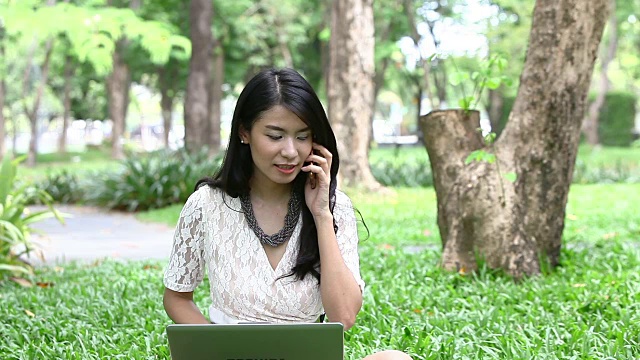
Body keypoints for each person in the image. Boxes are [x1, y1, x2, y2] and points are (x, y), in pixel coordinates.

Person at [163, 68, 411, 360]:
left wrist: (321, 215)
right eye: (276, 136)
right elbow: (177, 298)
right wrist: (219, 351)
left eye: (302, 136)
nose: (291, 152)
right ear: (245, 132)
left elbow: (343, 316)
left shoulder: (334, 207)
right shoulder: (206, 204)